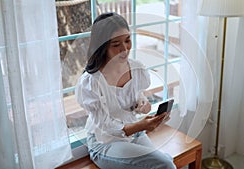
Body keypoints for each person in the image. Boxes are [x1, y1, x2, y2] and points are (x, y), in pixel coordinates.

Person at [75, 12, 176, 169]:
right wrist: (140, 126)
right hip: (105, 142)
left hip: (135, 133)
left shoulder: (136, 69)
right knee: (165, 164)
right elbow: (105, 126)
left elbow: (137, 97)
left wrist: (143, 104)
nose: (124, 49)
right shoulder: (90, 82)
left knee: (162, 164)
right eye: (116, 45)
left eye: (128, 40)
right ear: (102, 46)